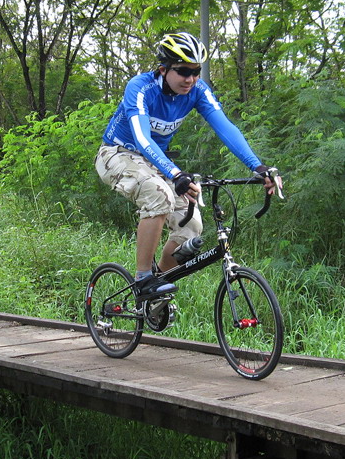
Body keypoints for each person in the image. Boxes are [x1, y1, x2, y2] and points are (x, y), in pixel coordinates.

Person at [95, 32, 278, 300]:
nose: (190, 79)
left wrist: (257, 166)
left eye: (195, 71)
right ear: (163, 69)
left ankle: (156, 287)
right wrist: (175, 173)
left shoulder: (197, 91)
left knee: (191, 226)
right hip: (118, 153)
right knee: (158, 194)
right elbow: (142, 138)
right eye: (183, 71)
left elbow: (225, 127)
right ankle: (143, 278)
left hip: (155, 160)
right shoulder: (141, 87)